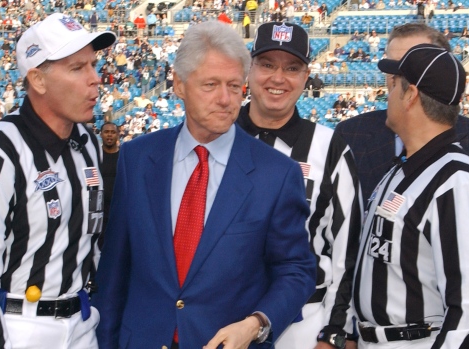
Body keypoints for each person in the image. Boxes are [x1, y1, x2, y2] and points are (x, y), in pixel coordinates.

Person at [94, 20, 315, 349]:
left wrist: (256, 324)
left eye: (235, 86)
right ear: (179, 84)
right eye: (210, 85)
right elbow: (114, 271)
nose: (226, 99)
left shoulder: (278, 174)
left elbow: (296, 270)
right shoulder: (136, 159)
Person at [0, 13, 115, 349]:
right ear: (38, 80)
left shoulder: (89, 143)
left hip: (82, 324)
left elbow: (95, 243)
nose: (95, 79)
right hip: (19, 327)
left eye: (93, 65)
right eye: (78, 68)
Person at [237, 22, 362, 349]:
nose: (278, 78)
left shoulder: (330, 146)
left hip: (301, 321)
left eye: (292, 68)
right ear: (248, 70)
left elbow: (347, 250)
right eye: (267, 65)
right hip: (222, 315)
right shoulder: (217, 135)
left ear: (306, 76)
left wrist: (335, 332)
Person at [353, 43, 469, 348]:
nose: (386, 95)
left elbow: (467, 309)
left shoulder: (456, 182)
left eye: (393, 86)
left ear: (410, 95)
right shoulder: (402, 170)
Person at [335, 23, 469, 207]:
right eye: (391, 68)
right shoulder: (351, 133)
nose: (394, 78)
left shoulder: (467, 141)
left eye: (409, 67)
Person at [99, 122, 120, 242]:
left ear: (118, 135)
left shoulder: (124, 157)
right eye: (106, 132)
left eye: (113, 132)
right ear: (101, 134)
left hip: (118, 212)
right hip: (98, 213)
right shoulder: (94, 156)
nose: (109, 135)